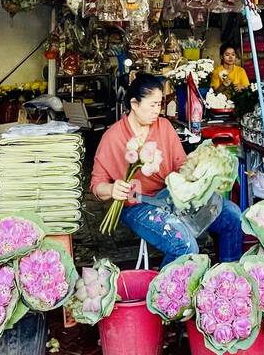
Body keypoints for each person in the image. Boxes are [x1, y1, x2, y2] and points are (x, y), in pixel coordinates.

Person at [91, 73, 242, 261]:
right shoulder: (113, 137)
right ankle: (167, 290)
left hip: (170, 197)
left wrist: (201, 171)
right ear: (134, 104)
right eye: (152, 105)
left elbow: (181, 166)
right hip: (137, 205)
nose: (157, 110)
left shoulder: (165, 127)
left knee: (232, 215)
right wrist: (112, 189)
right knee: (185, 245)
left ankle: (228, 278)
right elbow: (97, 184)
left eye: (160, 104)